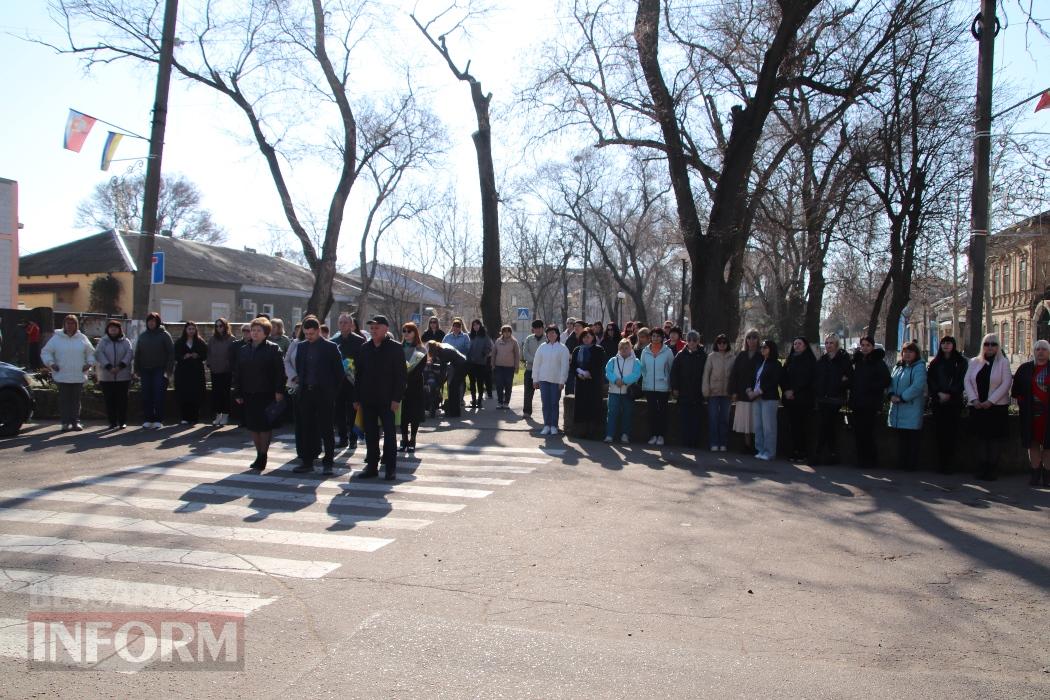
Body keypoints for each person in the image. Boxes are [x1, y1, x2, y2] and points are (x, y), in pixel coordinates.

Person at [353, 315, 407, 480]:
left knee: (389, 435)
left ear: (385, 329)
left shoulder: (395, 348)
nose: (373, 330)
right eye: (372, 328)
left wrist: (396, 398)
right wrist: (356, 398)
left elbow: (401, 376)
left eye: (377, 327)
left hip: (387, 399)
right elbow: (358, 375)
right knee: (371, 434)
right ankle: (372, 466)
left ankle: (390, 468)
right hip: (368, 399)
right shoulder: (365, 348)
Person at [292, 316, 344, 475]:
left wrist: (332, 392)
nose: (309, 337)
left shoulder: (330, 347)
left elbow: (339, 373)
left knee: (326, 428)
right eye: (306, 334)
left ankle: (328, 462)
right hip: (306, 392)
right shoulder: (301, 347)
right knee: (306, 427)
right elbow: (300, 368)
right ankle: (307, 461)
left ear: (318, 331)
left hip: (324, 393)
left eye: (312, 334)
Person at [233, 317, 285, 470]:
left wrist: (279, 391)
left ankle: (264, 454)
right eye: (253, 330)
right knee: (252, 426)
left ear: (265, 333)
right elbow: (238, 373)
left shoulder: (273, 349)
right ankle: (258, 453)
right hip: (249, 392)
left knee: (264, 426)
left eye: (258, 331)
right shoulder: (243, 350)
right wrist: (237, 392)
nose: (254, 333)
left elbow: (279, 373)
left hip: (266, 393)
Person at [963, 333, 1011, 480]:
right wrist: (974, 400)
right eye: (987, 344)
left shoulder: (1003, 362)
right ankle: (981, 467)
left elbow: (1006, 383)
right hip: (977, 407)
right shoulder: (974, 362)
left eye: (993, 344)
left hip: (996, 408)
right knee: (979, 438)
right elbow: (967, 381)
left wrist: (991, 401)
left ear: (998, 346)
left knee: (994, 439)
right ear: (982, 346)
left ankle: (992, 469)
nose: (990, 347)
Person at [42, 314, 95, 431]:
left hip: (78, 374)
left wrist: (89, 363)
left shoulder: (82, 338)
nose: (70, 326)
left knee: (76, 401)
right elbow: (45, 352)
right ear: (64, 325)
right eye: (68, 323)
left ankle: (75, 422)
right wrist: (51, 363)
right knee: (64, 400)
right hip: (62, 374)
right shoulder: (56, 338)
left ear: (76, 325)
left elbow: (92, 353)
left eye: (72, 323)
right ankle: (65, 422)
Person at [926, 336, 969, 473]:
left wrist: (950, 393)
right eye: (943, 343)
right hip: (938, 403)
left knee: (952, 434)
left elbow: (962, 381)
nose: (946, 345)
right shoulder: (935, 362)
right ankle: (941, 464)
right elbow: (931, 380)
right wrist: (938, 393)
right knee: (939, 434)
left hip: (953, 403)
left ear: (954, 345)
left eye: (948, 343)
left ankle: (950, 464)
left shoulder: (960, 362)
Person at [1011, 338, 1049, 487]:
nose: (1040, 352)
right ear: (1034, 352)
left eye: (1044, 349)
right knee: (1032, 444)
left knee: (1048, 446)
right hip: (1030, 414)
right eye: (1038, 349)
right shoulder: (1024, 368)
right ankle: (1035, 474)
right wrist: (1023, 402)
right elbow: (1016, 390)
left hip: (1048, 415)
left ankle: (1047, 475)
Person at [849, 337, 890, 469]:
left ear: (872, 347)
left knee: (868, 433)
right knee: (858, 432)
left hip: (870, 403)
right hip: (857, 402)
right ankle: (861, 459)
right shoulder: (858, 361)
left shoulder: (878, 362)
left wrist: (870, 387)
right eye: (863, 345)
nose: (865, 348)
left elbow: (886, 380)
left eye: (868, 345)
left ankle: (871, 460)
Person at [812, 335, 852, 465]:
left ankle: (818, 454)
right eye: (827, 343)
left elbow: (848, 377)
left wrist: (840, 384)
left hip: (836, 398)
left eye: (831, 343)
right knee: (826, 426)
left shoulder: (843, 359)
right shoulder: (822, 360)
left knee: (826, 424)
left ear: (836, 344)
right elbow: (817, 377)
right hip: (823, 398)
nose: (828, 345)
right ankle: (832, 454)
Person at [887, 342, 927, 471]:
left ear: (916, 354)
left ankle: (911, 464)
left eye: (910, 352)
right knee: (902, 439)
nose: (907, 354)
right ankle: (902, 462)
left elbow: (918, 386)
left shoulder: (919, 367)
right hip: (898, 409)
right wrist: (891, 394)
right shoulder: (898, 367)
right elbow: (891, 382)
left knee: (911, 440)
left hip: (911, 408)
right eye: (905, 352)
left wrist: (902, 397)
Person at [134, 312, 174, 429]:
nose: (151, 323)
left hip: (160, 370)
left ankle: (158, 419)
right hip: (145, 370)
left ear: (158, 322)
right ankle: (148, 418)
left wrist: (169, 370)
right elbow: (138, 353)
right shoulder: (143, 336)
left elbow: (171, 353)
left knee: (158, 395)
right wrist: (136, 369)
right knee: (146, 395)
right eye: (149, 321)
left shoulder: (164, 335)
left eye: (154, 321)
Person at [780, 336, 816, 462]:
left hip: (803, 398)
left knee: (803, 427)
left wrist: (794, 390)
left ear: (805, 346)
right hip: (790, 399)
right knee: (793, 426)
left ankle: (803, 452)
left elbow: (808, 379)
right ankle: (794, 450)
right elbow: (783, 376)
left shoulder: (810, 360)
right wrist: (786, 390)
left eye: (799, 344)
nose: (796, 346)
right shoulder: (790, 359)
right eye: (795, 344)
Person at [332, 313, 365, 448]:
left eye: (345, 322)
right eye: (340, 322)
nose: (343, 325)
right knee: (339, 411)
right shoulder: (334, 341)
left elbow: (363, 362)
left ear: (351, 325)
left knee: (352, 411)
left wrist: (353, 368)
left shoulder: (359, 341)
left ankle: (353, 438)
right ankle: (343, 438)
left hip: (353, 382)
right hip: (339, 381)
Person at [95, 319, 133, 429]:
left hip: (123, 376)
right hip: (107, 376)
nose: (113, 330)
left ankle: (122, 421)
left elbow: (129, 354)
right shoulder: (103, 341)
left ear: (119, 330)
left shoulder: (126, 341)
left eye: (115, 328)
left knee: (122, 400)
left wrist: (120, 366)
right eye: (111, 328)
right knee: (109, 400)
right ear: (107, 329)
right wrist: (109, 367)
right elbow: (99, 354)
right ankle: (112, 422)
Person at [671, 330, 707, 448]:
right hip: (684, 392)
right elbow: (674, 372)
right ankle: (685, 442)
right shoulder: (680, 355)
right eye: (689, 340)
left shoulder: (703, 356)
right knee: (684, 419)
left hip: (698, 393)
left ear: (698, 341)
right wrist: (675, 388)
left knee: (696, 420)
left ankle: (694, 442)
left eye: (694, 340)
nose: (692, 342)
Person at [532, 325, 570, 435]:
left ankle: (554, 425)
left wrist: (562, 381)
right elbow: (536, 364)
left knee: (554, 403)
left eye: (553, 333)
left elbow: (565, 366)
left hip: (556, 381)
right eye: (549, 333)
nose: (551, 335)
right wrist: (535, 379)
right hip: (543, 380)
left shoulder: (563, 348)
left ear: (557, 334)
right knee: (545, 403)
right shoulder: (542, 347)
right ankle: (546, 425)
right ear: (547, 335)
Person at [748, 340, 782, 461]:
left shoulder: (776, 364)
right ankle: (760, 449)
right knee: (758, 426)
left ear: (771, 349)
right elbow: (754, 379)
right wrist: (750, 391)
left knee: (769, 427)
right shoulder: (760, 362)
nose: (762, 349)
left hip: (769, 398)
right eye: (761, 347)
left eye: (765, 347)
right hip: (757, 399)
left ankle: (769, 452)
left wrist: (758, 391)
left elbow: (773, 382)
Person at [570, 328, 607, 437]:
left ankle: (593, 431)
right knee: (582, 406)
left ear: (593, 338)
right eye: (584, 337)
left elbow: (600, 364)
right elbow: (573, 365)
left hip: (593, 382)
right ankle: (582, 430)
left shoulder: (598, 349)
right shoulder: (577, 349)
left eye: (588, 337)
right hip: (581, 383)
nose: (586, 339)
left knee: (593, 405)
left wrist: (589, 373)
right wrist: (579, 372)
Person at [640, 327, 674, 446]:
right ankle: (653, 435)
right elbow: (642, 368)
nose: (655, 338)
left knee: (662, 412)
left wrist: (668, 382)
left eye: (658, 336)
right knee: (652, 412)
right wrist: (646, 380)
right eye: (653, 336)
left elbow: (671, 368)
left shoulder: (668, 352)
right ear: (650, 337)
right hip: (649, 387)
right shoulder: (645, 351)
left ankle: (661, 436)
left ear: (662, 338)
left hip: (663, 387)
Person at [730, 330, 762, 452]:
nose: (751, 340)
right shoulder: (741, 355)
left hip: (756, 394)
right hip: (742, 393)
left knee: (755, 421)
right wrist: (733, 391)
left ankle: (756, 445)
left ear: (758, 340)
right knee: (745, 421)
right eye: (749, 338)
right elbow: (734, 374)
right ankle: (746, 445)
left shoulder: (761, 356)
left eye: (754, 337)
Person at [605, 338, 641, 442]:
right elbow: (608, 372)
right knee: (612, 414)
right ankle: (609, 435)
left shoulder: (636, 361)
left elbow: (636, 374)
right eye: (622, 348)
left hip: (628, 393)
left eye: (626, 348)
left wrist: (624, 381)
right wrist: (616, 380)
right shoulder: (613, 360)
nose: (624, 350)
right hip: (613, 391)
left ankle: (625, 435)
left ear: (631, 348)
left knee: (627, 414)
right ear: (618, 349)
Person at [702, 334, 734, 452]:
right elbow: (706, 374)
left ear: (727, 344)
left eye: (724, 342)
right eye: (719, 342)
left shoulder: (732, 357)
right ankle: (714, 442)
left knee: (724, 419)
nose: (722, 344)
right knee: (713, 419)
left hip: (727, 393)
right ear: (716, 344)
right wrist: (706, 390)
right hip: (713, 392)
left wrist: (734, 391)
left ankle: (723, 443)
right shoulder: (711, 357)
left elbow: (734, 376)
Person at [399, 322, 427, 453]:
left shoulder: (421, 349)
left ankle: (413, 439)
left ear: (415, 333)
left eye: (409, 331)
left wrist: (408, 376)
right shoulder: (398, 348)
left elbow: (420, 369)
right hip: (400, 386)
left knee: (414, 414)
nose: (406, 334)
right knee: (403, 415)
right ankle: (404, 439)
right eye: (404, 331)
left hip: (415, 385)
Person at [173, 321, 208, 425]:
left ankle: (194, 417)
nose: (191, 331)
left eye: (193, 329)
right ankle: (185, 417)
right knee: (184, 394)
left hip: (196, 372)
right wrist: (184, 356)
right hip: (183, 373)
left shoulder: (200, 342)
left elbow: (205, 354)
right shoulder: (180, 342)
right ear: (185, 330)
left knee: (195, 394)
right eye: (189, 329)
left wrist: (197, 356)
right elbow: (175, 355)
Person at [427, 340, 467, 417]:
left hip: (461, 367)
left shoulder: (443, 353)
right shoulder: (442, 351)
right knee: (453, 388)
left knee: (453, 388)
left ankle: (455, 412)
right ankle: (454, 411)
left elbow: (443, 370)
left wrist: (440, 383)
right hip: (462, 365)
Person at [207, 318, 235, 426]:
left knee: (225, 393)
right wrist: (210, 363)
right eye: (217, 326)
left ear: (225, 326)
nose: (219, 328)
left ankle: (226, 415)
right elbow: (208, 352)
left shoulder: (231, 339)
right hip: (215, 370)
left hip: (226, 371)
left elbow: (233, 354)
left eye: (221, 326)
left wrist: (229, 365)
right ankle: (218, 415)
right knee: (216, 393)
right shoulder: (212, 339)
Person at [491, 324, 521, 409]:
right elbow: (493, 353)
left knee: (508, 385)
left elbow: (517, 355)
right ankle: (500, 402)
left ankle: (506, 402)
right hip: (499, 367)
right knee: (499, 385)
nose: (506, 333)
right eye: (504, 331)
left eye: (508, 331)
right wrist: (492, 364)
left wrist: (517, 367)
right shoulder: (498, 341)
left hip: (509, 367)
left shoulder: (514, 342)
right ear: (502, 332)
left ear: (511, 332)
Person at [466, 319, 494, 408]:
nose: (475, 326)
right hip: (471, 363)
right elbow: (467, 347)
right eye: (474, 325)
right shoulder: (470, 336)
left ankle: (479, 400)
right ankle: (473, 400)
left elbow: (489, 347)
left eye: (477, 325)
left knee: (480, 383)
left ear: (480, 325)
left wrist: (483, 354)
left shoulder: (485, 336)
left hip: (481, 363)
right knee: (472, 382)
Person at [443, 318, 470, 408]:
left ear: (460, 327)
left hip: (461, 363)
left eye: (458, 326)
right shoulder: (448, 337)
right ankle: (451, 398)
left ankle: (460, 399)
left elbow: (467, 348)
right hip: (450, 363)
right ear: (452, 327)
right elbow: (442, 346)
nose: (456, 328)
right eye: (454, 326)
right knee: (450, 381)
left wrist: (457, 351)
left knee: (460, 381)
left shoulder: (465, 336)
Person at [521, 319, 545, 416]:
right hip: (530, 369)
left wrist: (540, 362)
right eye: (535, 328)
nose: (538, 330)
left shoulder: (547, 339)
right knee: (528, 392)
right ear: (533, 329)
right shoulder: (529, 339)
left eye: (539, 328)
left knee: (545, 394)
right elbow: (525, 353)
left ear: (543, 328)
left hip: (543, 371)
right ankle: (526, 412)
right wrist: (536, 361)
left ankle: (546, 413)